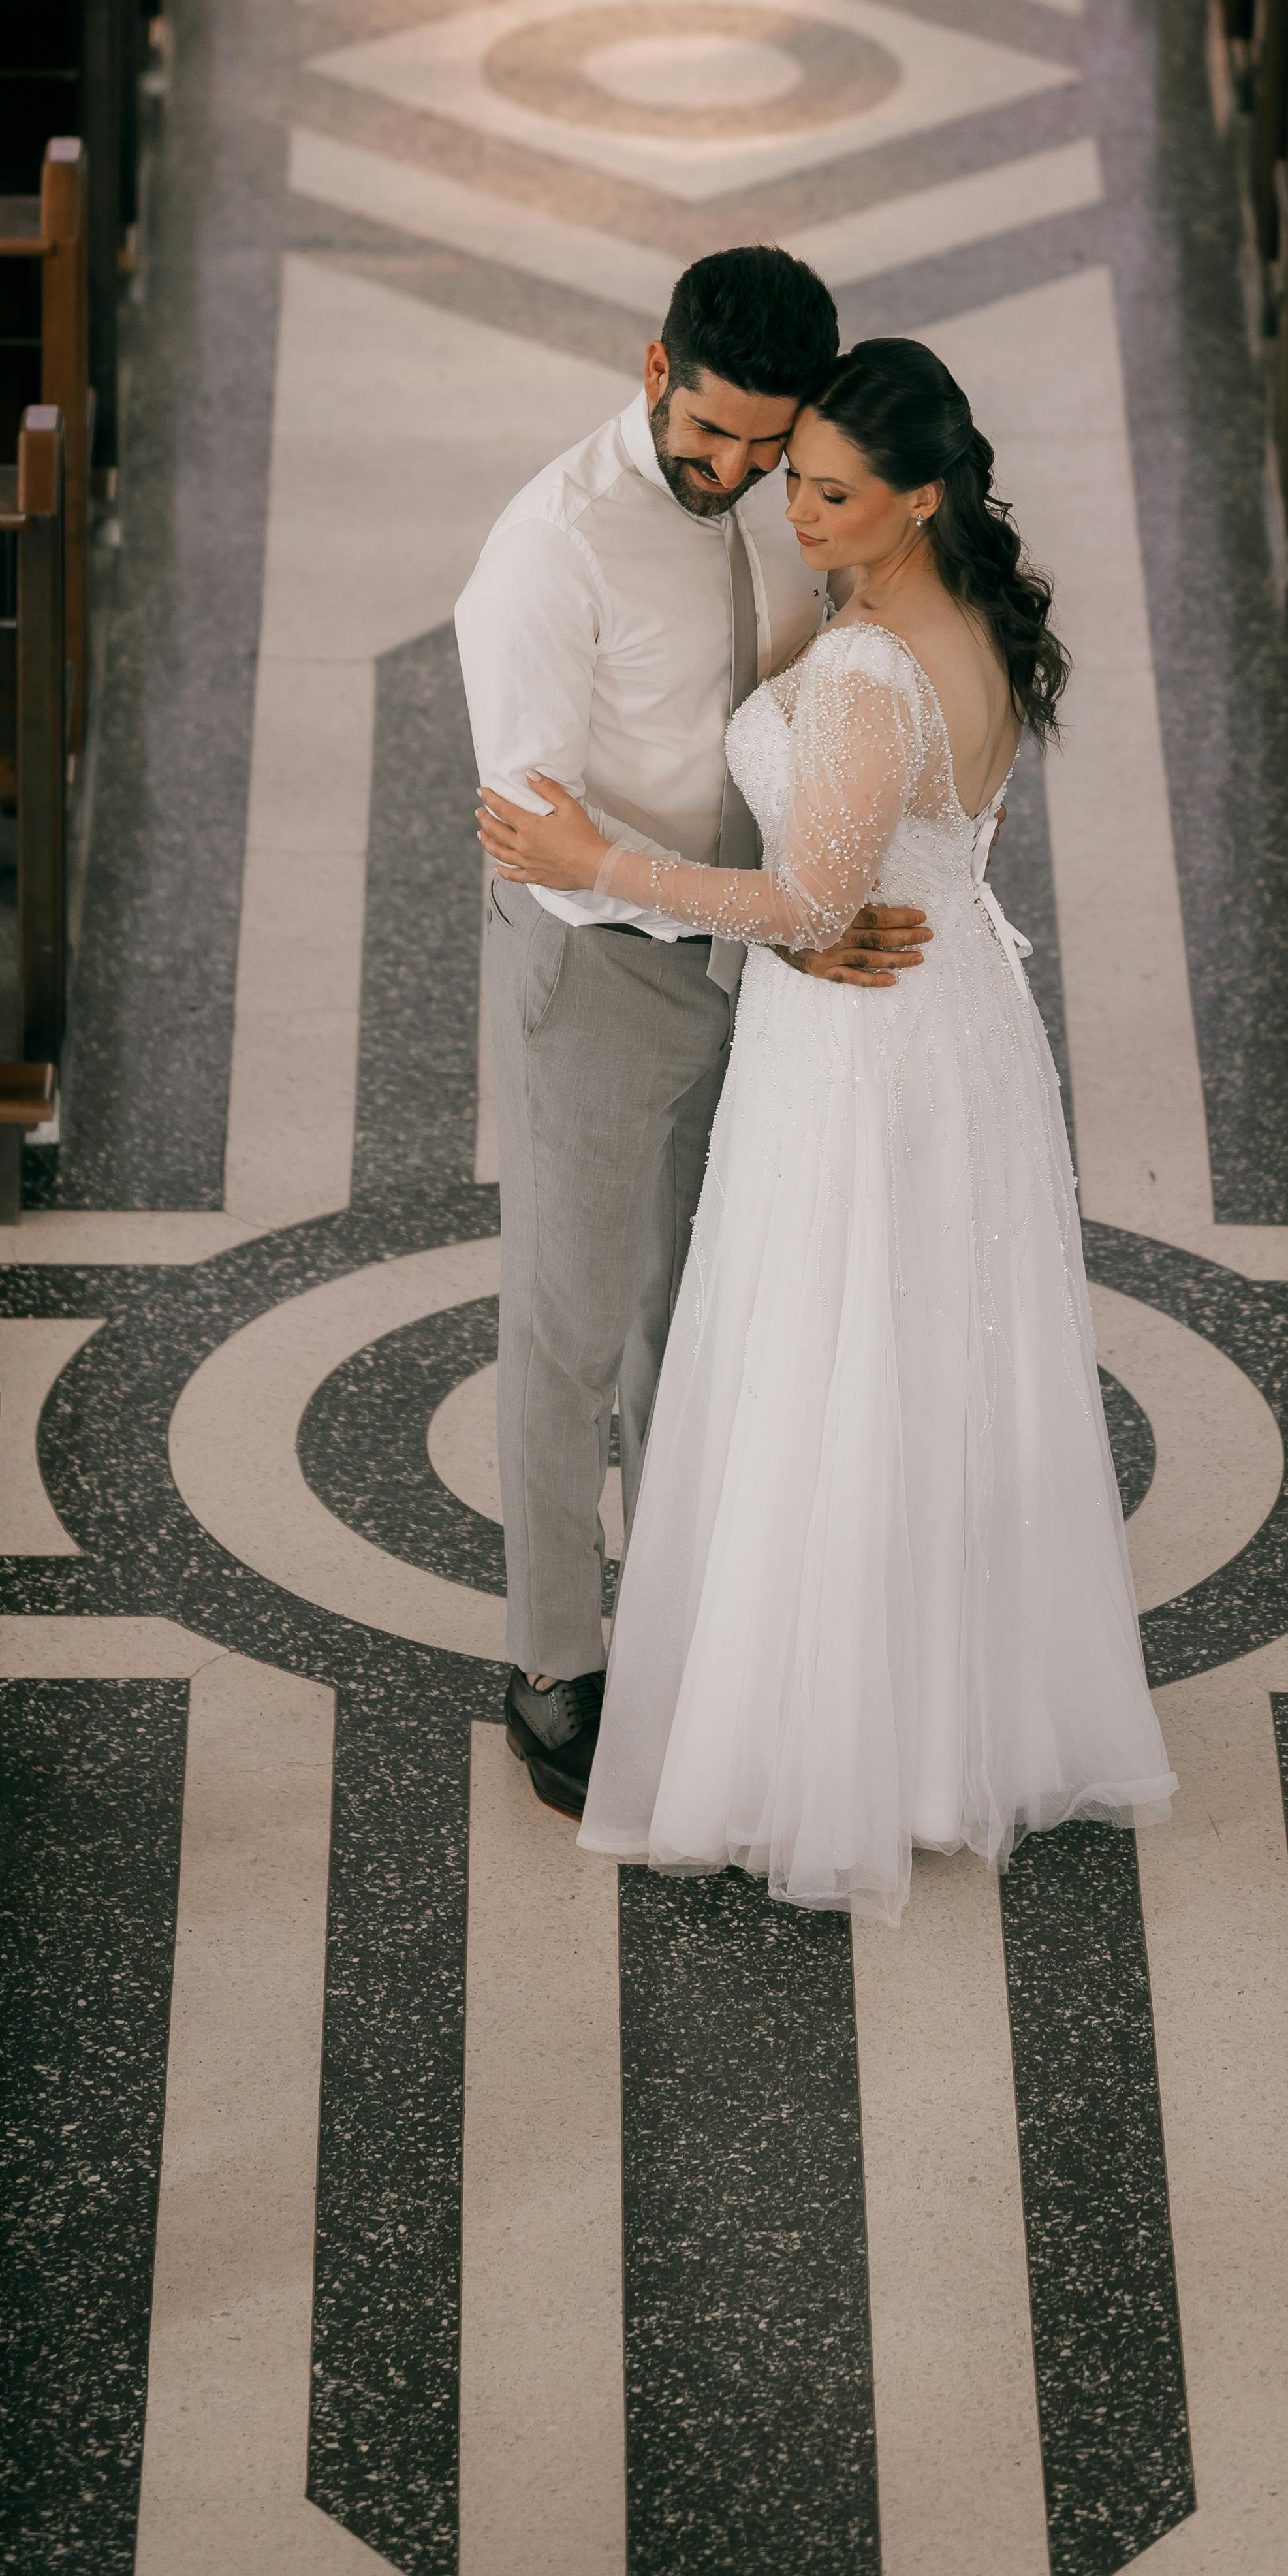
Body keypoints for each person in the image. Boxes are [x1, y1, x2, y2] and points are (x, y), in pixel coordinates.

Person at [477, 336, 1175, 1922]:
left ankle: (819, 1732)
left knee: (826, 1355)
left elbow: (808, 899)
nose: (795, 508)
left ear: (918, 498)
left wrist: (596, 850)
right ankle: (934, 1717)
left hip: (860, 1044)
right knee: (919, 1364)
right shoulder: (959, 615)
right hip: (946, 1031)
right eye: (795, 477)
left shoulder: (870, 671)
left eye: (832, 491)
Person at [454, 247, 933, 1821]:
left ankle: (675, 1621)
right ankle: (553, 1662)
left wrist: (797, 907)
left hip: (753, 957)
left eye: (765, 446)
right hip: (600, 969)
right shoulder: (546, 553)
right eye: (709, 433)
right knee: (570, 1327)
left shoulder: (789, 493)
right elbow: (536, 827)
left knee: (698, 1315)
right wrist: (767, 912)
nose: (731, 473)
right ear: (654, 366)